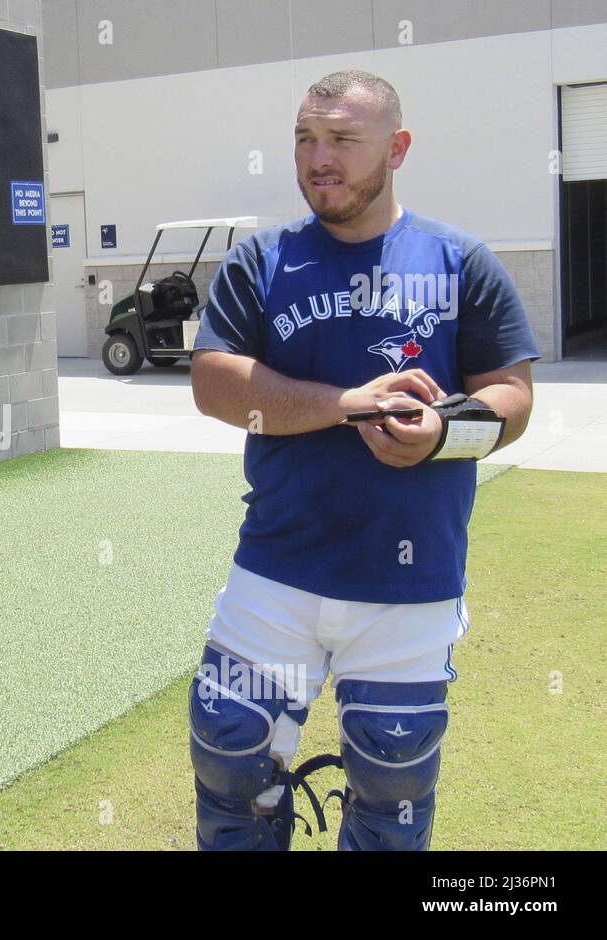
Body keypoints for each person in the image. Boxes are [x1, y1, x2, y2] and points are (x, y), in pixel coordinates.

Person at [187, 70, 539, 850]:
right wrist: (350, 403)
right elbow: (214, 385)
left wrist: (442, 434)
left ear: (397, 148)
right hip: (276, 570)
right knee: (228, 751)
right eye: (306, 140)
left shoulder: (460, 263)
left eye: (343, 140)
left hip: (408, 587)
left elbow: (512, 398)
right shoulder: (264, 261)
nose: (320, 158)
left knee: (393, 784)